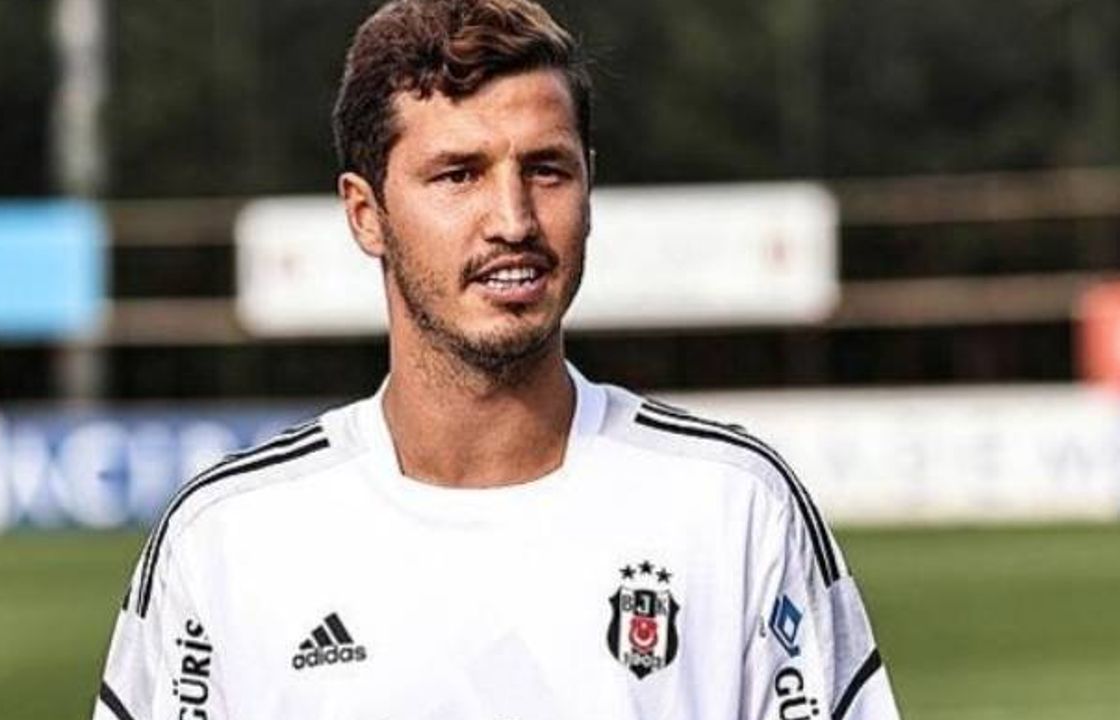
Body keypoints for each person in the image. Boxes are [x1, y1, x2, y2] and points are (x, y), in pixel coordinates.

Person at [92, 1, 901, 718]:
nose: (513, 220)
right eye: (459, 175)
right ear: (366, 214)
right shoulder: (227, 539)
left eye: (547, 170)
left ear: (589, 187)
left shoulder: (736, 506)